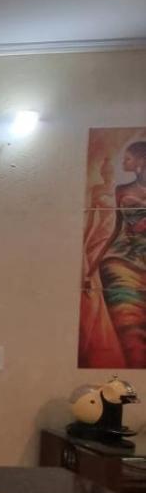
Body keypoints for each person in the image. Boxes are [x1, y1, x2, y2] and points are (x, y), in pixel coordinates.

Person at [97, 140, 146, 368]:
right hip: (123, 262)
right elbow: (117, 228)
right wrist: (96, 262)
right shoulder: (121, 191)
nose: (123, 163)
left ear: (141, 161)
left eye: (127, 158)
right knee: (130, 332)